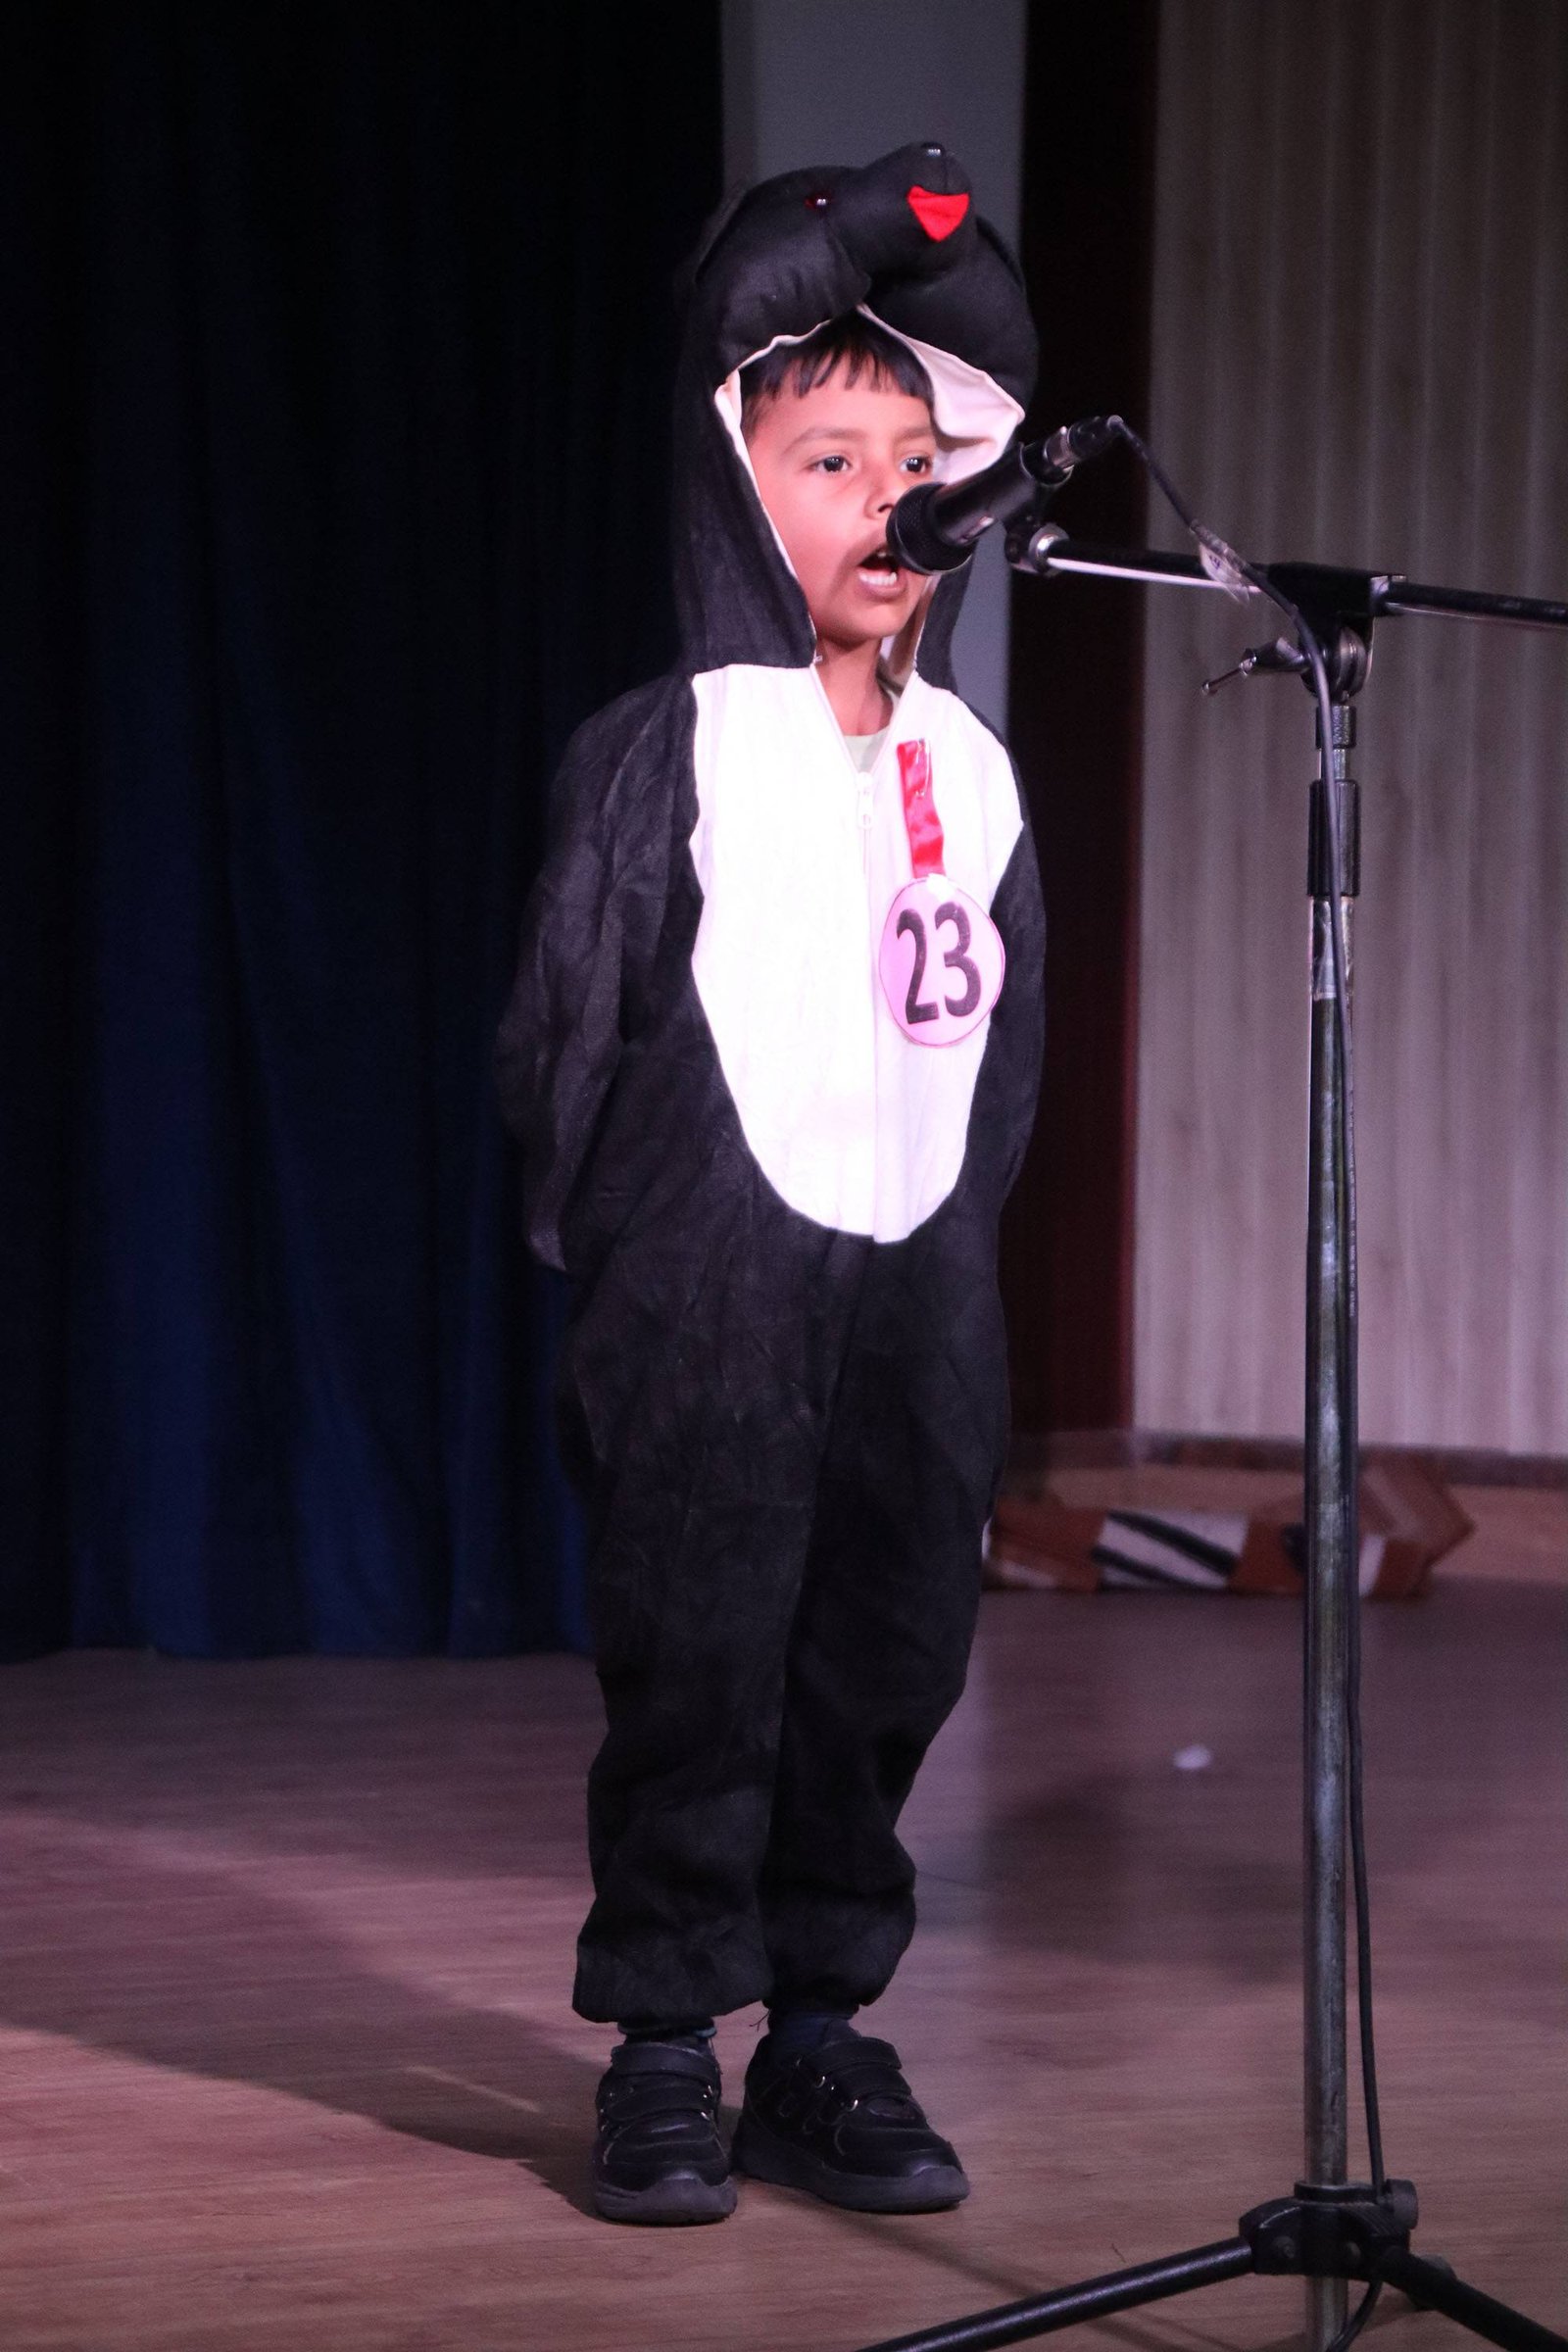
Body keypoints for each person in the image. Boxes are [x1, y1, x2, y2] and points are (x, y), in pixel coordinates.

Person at [495, 144, 1044, 2225]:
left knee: (887, 1632)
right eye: (831, 462)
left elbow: (1005, 1035)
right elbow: (564, 1028)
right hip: (707, 1271)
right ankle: (663, 2036)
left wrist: (955, 1246)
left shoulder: (974, 769)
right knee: (704, 1639)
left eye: (919, 460)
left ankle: (818, 2029)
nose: (889, 499)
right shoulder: (671, 749)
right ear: (736, 486)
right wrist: (627, 1257)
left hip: (916, 1264)